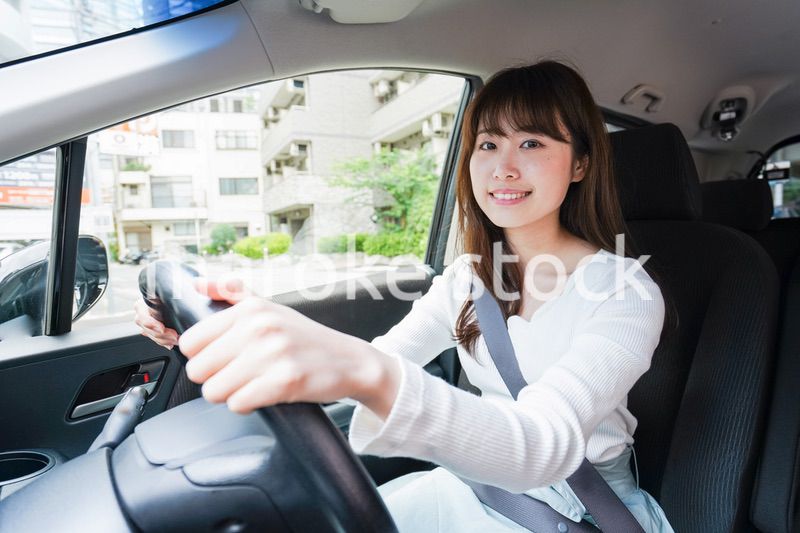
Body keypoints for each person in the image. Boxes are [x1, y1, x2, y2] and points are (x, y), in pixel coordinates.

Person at [135, 60, 673, 532]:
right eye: (488, 143)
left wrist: (365, 372)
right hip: (474, 486)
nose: (503, 166)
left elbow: (541, 445)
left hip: (578, 513)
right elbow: (383, 360)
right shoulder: (470, 277)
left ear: (579, 163)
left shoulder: (625, 294)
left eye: (532, 143)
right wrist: (244, 327)